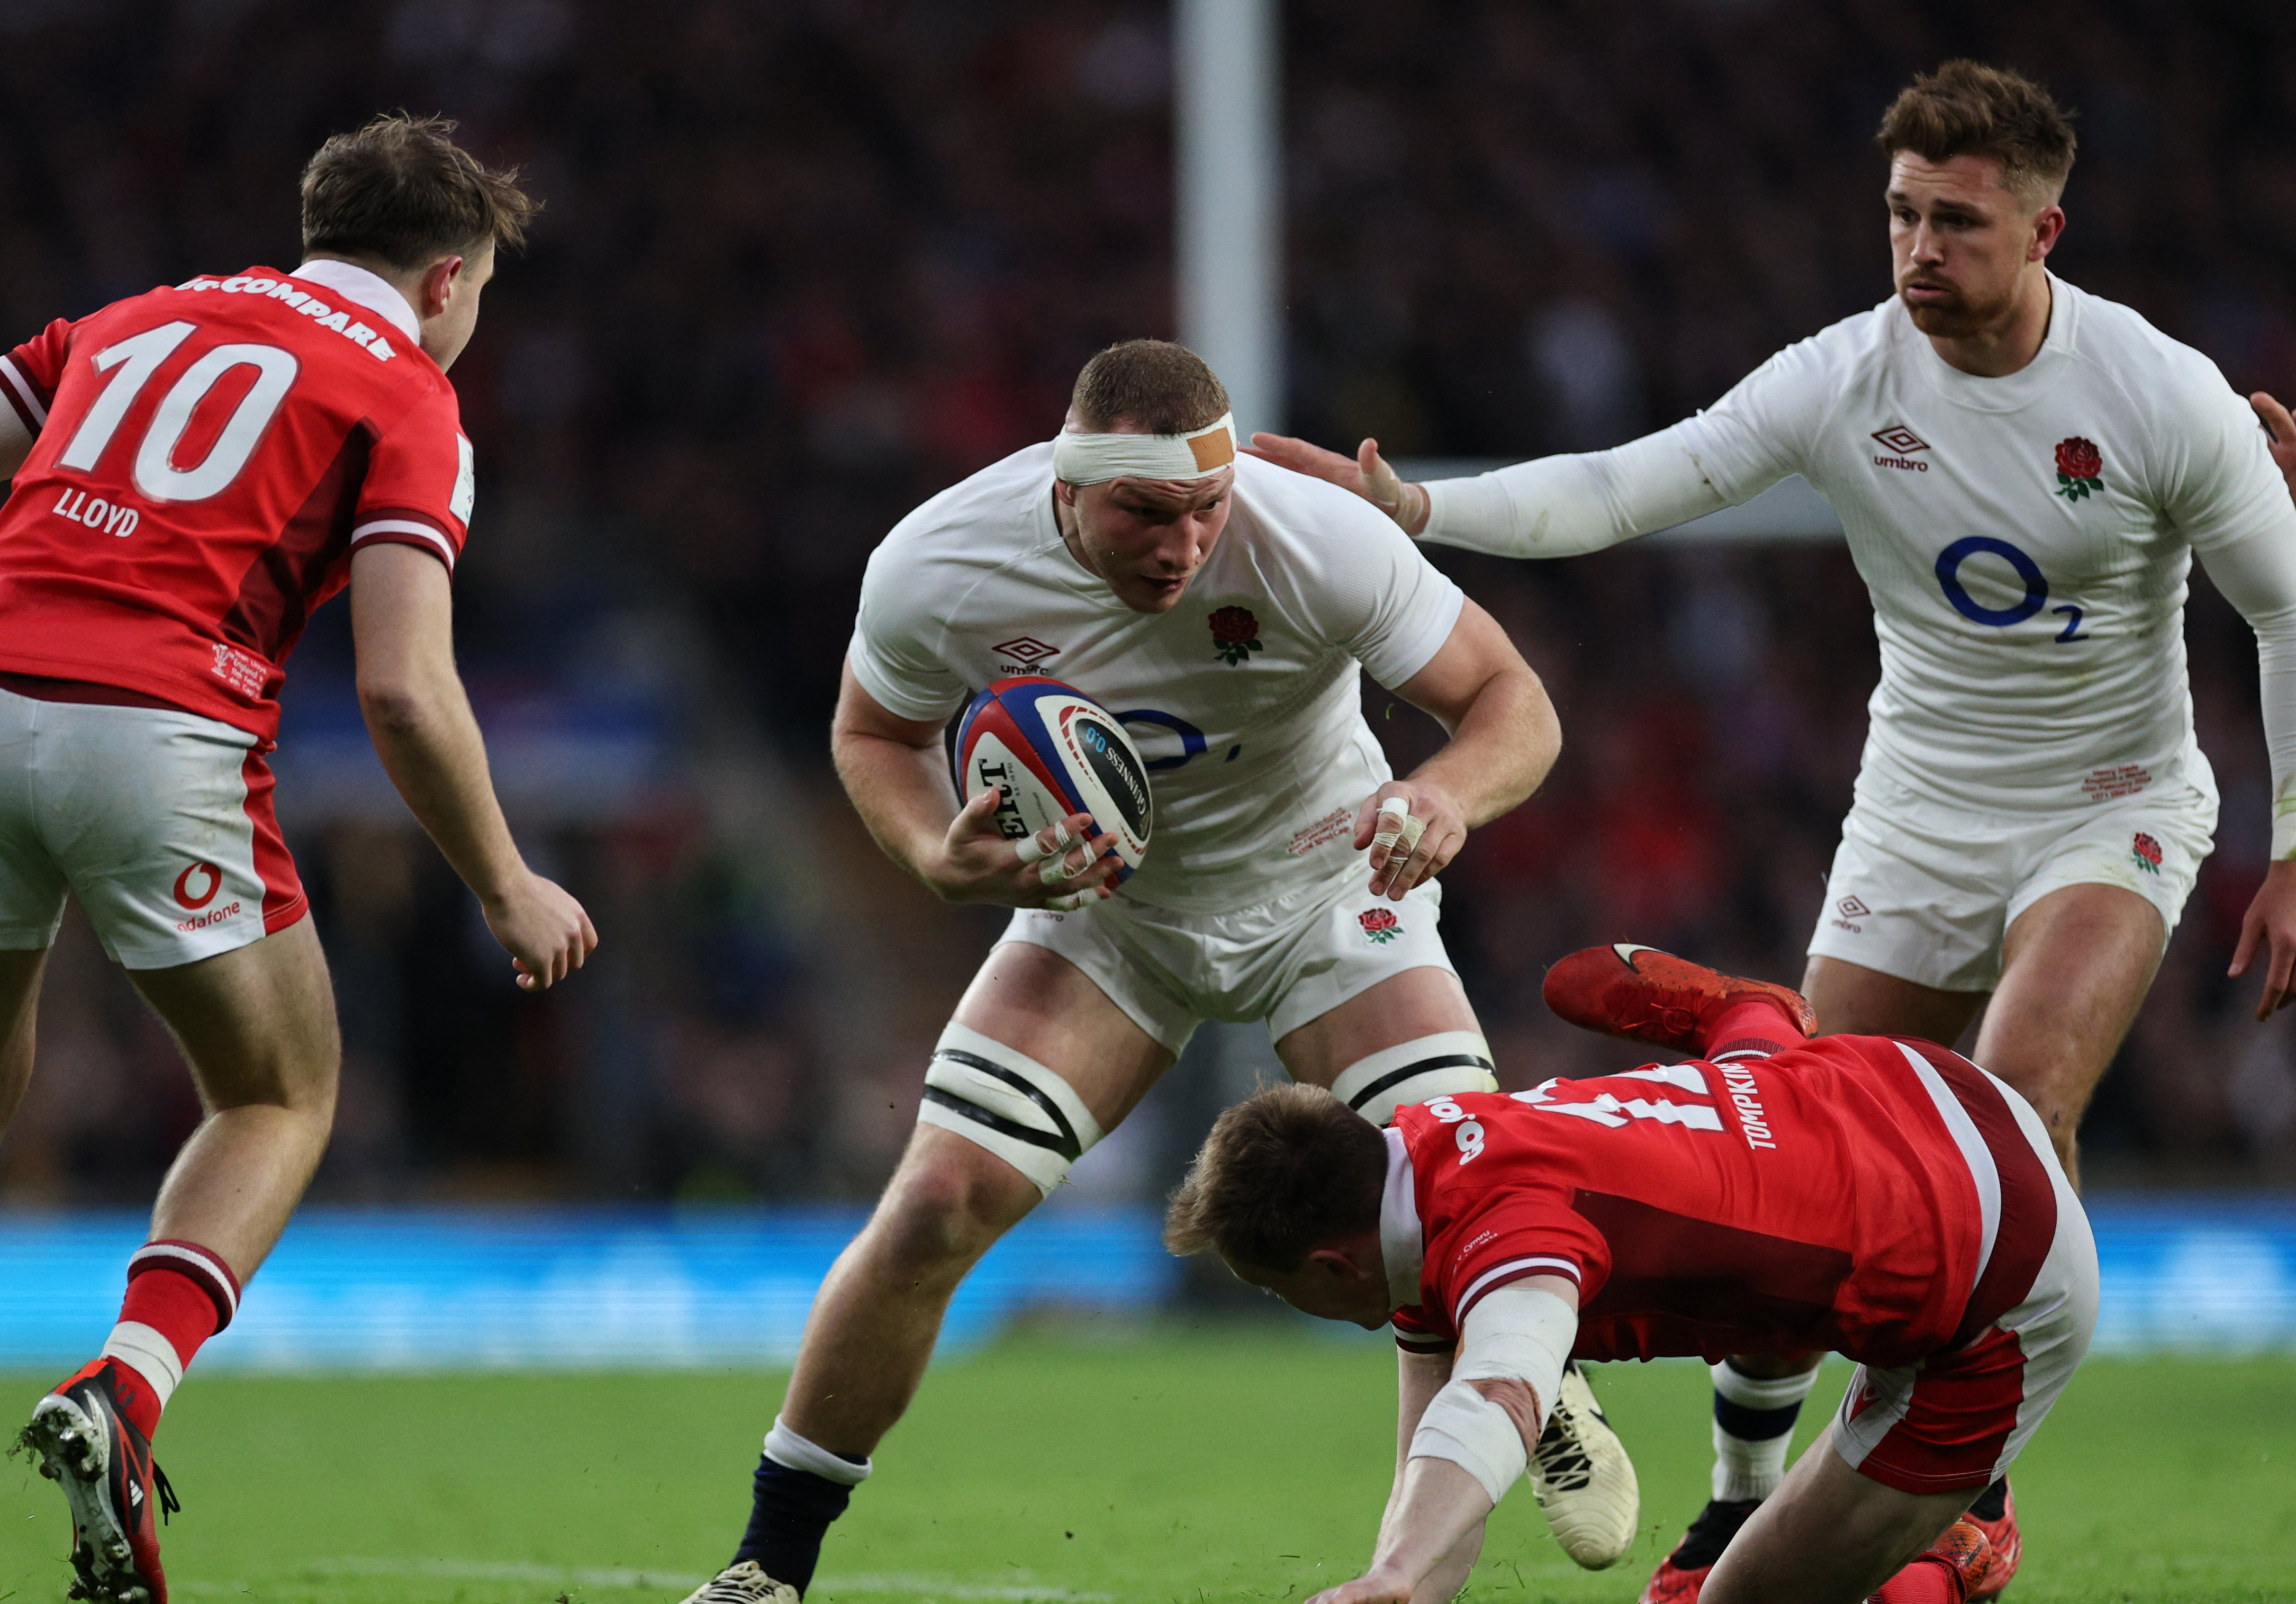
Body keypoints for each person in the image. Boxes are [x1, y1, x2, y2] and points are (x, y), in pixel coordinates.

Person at [1247, 59, 2296, 1598]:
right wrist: (1417, 513)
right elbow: (1621, 488)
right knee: (1802, 1161)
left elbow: (2281, 602)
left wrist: (2293, 840)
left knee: (2011, 1111)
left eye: (1956, 220)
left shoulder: (2156, 394)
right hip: (1915, 814)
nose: (1918, 249)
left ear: (2045, 228)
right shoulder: (1845, 378)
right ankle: (1744, 1496)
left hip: (2109, 802)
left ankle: (1966, 1491)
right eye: (1898, 215)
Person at [683, 340, 1604, 1604]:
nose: (1183, 545)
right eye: (1146, 513)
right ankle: (763, 1571)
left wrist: (1443, 793)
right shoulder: (939, 564)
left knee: (1442, 1214)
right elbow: (872, 732)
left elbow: (1511, 699)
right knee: (937, 1203)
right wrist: (930, 858)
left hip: (1331, 888)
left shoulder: (1316, 537)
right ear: (1068, 486)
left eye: (1205, 510)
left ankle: (1424, 1561)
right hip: (1107, 915)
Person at [0, 114, 596, 1603]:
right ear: (449, 277)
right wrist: (504, 881)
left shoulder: (136, 319)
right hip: (155, 720)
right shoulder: (406, 392)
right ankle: (126, 1392)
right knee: (279, 1088)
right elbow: (405, 689)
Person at [1165, 942, 2096, 1604]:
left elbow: (1498, 1393)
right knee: (1757, 1194)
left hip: (2001, 1281)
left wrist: (1394, 1573)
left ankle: (1963, 1539)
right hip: (1915, 1088)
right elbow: (1438, 1475)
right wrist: (1400, 1578)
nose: (1302, 1310)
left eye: (1283, 1291)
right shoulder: (1422, 1147)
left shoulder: (1506, 1236)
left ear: (1331, 1264)